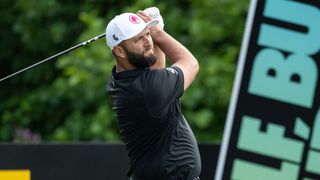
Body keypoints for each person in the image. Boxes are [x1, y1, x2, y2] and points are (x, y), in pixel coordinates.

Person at [105, 7, 201, 180]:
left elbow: (156, 71)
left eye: (147, 34)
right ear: (119, 51)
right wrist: (158, 33)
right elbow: (191, 63)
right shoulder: (148, 89)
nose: (147, 42)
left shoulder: (122, 80)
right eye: (138, 39)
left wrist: (155, 35)